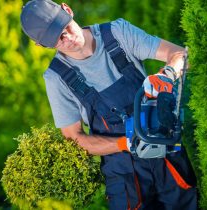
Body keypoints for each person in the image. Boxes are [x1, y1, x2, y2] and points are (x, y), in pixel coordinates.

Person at [20, 0, 197, 209]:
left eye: (64, 27)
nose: (67, 38)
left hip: (165, 150)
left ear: (67, 10)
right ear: (41, 45)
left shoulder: (117, 33)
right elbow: (75, 139)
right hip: (123, 174)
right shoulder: (56, 78)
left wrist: (168, 75)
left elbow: (182, 55)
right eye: (58, 39)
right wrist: (125, 143)